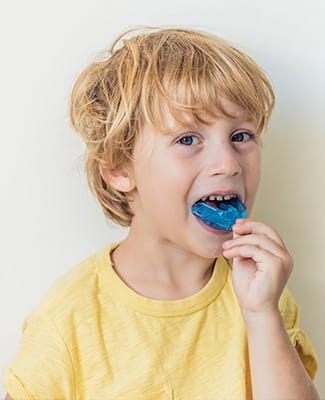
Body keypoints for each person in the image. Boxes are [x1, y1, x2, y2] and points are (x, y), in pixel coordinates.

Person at [3, 27, 319, 399]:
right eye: (188, 139)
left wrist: (262, 314)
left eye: (241, 136)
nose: (227, 163)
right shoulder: (68, 321)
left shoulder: (261, 291)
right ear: (120, 169)